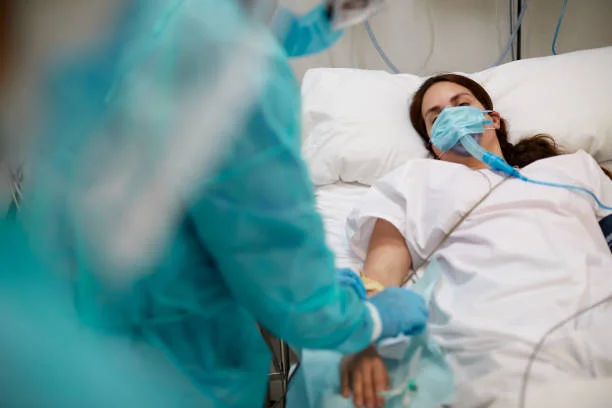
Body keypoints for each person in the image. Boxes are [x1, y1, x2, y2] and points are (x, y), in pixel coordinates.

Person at [0, 1, 427, 407]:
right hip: (175, 366)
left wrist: (325, 21)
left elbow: (262, 31)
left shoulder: (128, 25)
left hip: (68, 315)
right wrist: (368, 319)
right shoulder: (232, 73)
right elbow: (294, 291)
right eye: (437, 110)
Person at [340, 74, 612, 408]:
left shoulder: (572, 169)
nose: (451, 116)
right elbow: (380, 275)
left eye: (461, 104)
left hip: (598, 320)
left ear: (492, 119)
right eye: (436, 117)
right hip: (496, 342)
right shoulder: (416, 181)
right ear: (433, 144)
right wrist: (364, 333)